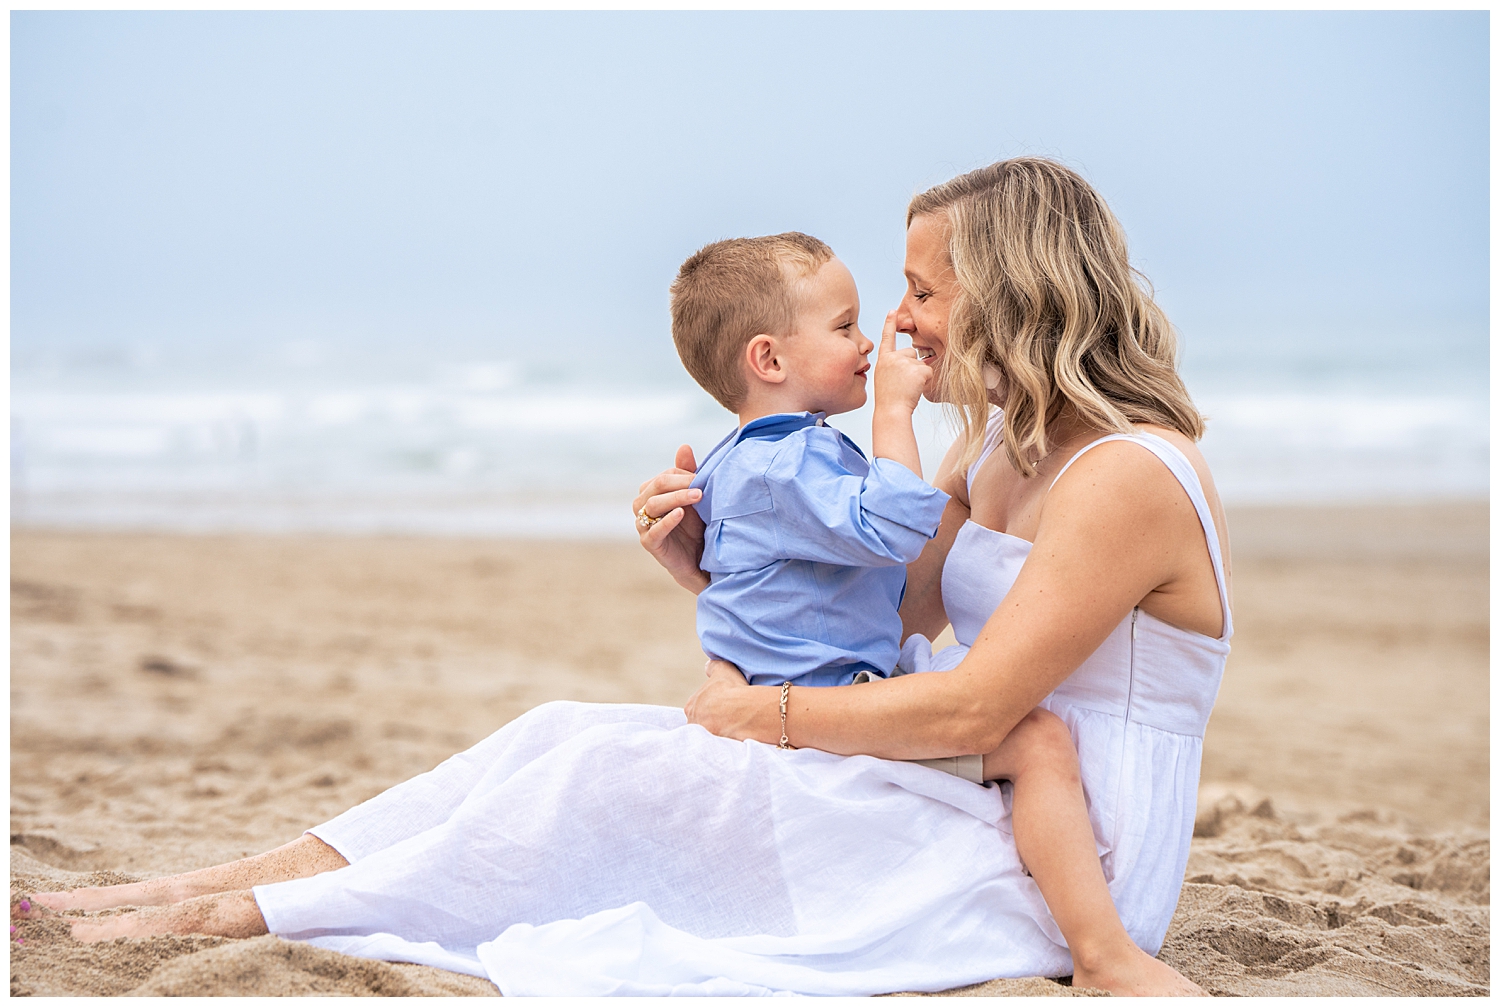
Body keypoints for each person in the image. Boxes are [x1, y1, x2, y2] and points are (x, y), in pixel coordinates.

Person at [21, 158, 1224, 997]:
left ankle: (254, 914)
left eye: (922, 290)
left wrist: (769, 715)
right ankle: (214, 881)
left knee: (613, 770)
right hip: (960, 783)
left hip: (1060, 856)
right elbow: (886, 619)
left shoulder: (1126, 477)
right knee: (561, 731)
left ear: (1011, 291)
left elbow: (972, 704)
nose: (901, 325)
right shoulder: (998, 450)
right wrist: (708, 577)